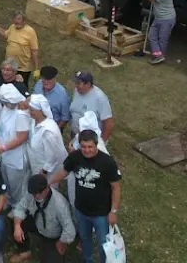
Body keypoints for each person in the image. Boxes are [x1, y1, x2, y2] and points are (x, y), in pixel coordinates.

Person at [49, 130, 122, 263]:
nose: (87, 150)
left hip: (101, 213)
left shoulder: (107, 162)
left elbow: (116, 187)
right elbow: (64, 172)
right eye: (83, 147)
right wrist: (49, 182)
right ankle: (87, 260)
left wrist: (113, 211)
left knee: (103, 244)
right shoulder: (75, 157)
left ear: (96, 145)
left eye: (90, 147)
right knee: (84, 238)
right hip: (81, 210)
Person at [11, 174, 77, 263]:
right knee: (16, 220)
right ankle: (25, 250)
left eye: (40, 192)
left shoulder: (59, 204)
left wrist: (62, 242)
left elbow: (69, 230)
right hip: (37, 222)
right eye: (34, 193)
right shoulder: (31, 194)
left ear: (47, 188)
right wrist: (17, 226)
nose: (37, 196)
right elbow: (20, 208)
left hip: (53, 234)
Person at [0, 84, 32, 208]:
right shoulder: (6, 109)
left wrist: (4, 147)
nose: (6, 105)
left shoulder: (21, 113)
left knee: (17, 186)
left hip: (17, 157)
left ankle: (19, 208)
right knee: (7, 181)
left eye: (8, 103)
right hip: (5, 155)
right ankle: (9, 202)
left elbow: (22, 137)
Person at [26, 95, 68, 183]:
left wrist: (44, 171)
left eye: (32, 110)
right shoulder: (33, 121)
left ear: (41, 110)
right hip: (36, 164)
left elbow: (52, 156)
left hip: (46, 172)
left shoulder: (48, 131)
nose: (29, 112)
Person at [138, 0, 177, 64]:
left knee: (162, 39)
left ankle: (159, 56)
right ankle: (158, 55)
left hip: (167, 19)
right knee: (151, 36)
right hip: (158, 18)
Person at [69, 70, 114, 142]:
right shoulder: (77, 91)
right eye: (75, 82)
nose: (76, 85)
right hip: (75, 134)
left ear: (88, 84)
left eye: (78, 83)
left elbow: (109, 124)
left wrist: (101, 143)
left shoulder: (100, 98)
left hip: (90, 140)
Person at [31, 67, 71, 132]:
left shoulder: (62, 95)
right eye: (44, 79)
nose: (46, 82)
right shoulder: (38, 84)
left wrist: (55, 130)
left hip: (52, 128)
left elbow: (65, 118)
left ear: (55, 78)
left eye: (49, 79)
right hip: (35, 124)